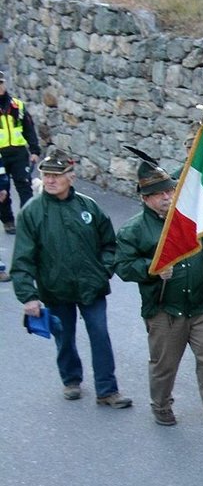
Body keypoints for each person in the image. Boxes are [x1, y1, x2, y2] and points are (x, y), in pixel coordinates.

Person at [111, 152, 203, 429]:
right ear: (145, 199)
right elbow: (123, 267)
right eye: (159, 194)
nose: (167, 197)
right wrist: (151, 268)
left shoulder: (190, 219)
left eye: (170, 190)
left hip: (199, 305)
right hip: (164, 310)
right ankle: (161, 406)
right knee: (164, 365)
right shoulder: (133, 230)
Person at [11, 148, 131, 408]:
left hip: (92, 286)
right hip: (55, 289)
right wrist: (28, 296)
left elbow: (110, 244)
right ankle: (71, 379)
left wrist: (104, 270)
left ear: (72, 177)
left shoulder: (89, 206)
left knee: (100, 334)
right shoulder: (31, 213)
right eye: (46, 175)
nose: (51, 180)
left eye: (57, 175)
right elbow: (22, 260)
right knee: (63, 336)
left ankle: (107, 390)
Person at [0, 69, 42, 235]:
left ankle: (27, 222)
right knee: (2, 191)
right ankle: (8, 220)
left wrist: (34, 150)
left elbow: (29, 129)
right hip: (0, 156)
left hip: (18, 153)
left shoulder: (17, 105)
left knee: (25, 187)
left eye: (0, 83)